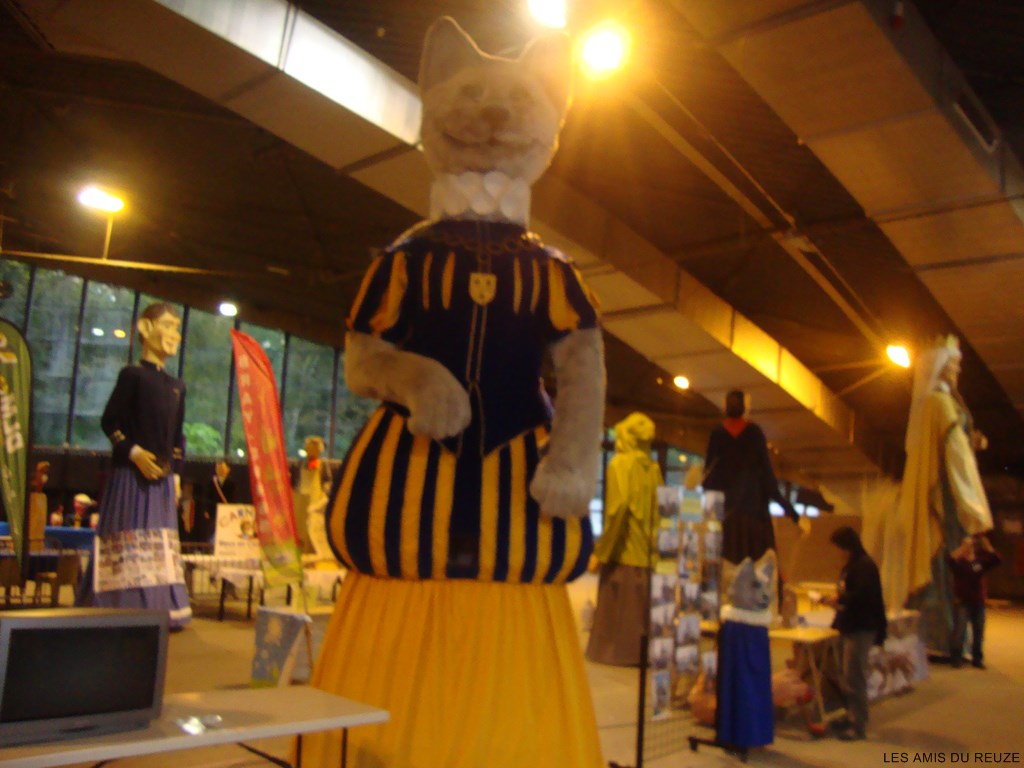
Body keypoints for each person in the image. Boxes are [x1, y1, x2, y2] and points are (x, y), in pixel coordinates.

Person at [77, 301, 191, 629]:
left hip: (161, 482)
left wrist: (176, 475)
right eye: (167, 325)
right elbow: (109, 422)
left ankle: (159, 604)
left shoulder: (178, 386)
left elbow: (177, 437)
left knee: (158, 541)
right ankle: (118, 603)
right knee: (127, 536)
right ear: (145, 328)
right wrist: (134, 453)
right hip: (130, 478)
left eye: (176, 328)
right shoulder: (132, 376)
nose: (174, 334)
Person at [880, 335, 993, 656]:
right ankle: (943, 640)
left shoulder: (940, 403)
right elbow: (957, 458)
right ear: (941, 367)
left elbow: (957, 447)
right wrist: (975, 506)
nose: (958, 369)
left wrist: (972, 442)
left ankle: (939, 639)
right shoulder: (941, 404)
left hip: (943, 495)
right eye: (954, 364)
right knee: (945, 565)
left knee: (942, 565)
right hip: (946, 499)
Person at [586, 412, 662, 666]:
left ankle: (617, 655)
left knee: (619, 613)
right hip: (648, 554)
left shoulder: (619, 464)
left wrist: (601, 552)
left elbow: (618, 510)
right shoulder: (653, 468)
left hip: (624, 552)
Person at [703, 390, 801, 566]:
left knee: (727, 568)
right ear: (745, 408)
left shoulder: (717, 434)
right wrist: (792, 512)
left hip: (726, 517)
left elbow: (708, 474)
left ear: (725, 407)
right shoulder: (754, 433)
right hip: (754, 515)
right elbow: (768, 477)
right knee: (757, 567)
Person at [824, 526, 887, 741]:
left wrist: (840, 599)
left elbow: (864, 596)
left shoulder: (864, 566)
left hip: (861, 628)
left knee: (854, 676)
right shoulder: (850, 566)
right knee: (846, 674)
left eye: (837, 547)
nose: (835, 552)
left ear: (846, 546)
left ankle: (858, 724)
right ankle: (850, 715)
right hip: (849, 625)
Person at [948, 534, 1001, 669]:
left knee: (979, 632)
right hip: (962, 602)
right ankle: (956, 658)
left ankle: (977, 659)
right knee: (959, 631)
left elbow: (996, 560)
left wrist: (988, 547)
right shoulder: (959, 563)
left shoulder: (980, 562)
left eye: (970, 545)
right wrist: (962, 548)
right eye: (966, 545)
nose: (968, 547)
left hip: (978, 602)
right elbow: (950, 559)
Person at [292, 436, 333, 560]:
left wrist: (325, 496)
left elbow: (328, 482)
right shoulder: (301, 463)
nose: (311, 451)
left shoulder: (323, 464)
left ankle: (314, 553)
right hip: (302, 498)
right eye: (309, 448)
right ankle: (300, 552)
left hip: (316, 500)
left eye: (314, 449)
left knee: (314, 527)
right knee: (301, 527)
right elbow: (295, 481)